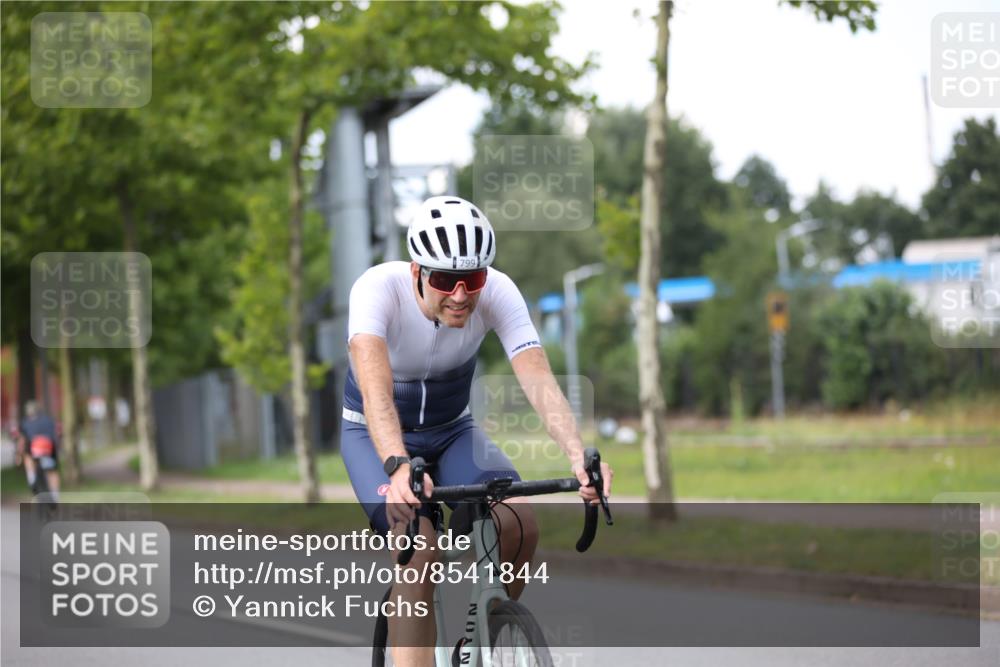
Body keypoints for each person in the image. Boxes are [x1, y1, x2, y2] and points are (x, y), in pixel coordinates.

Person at [341, 195, 613, 666]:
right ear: (417, 273)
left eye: (473, 279)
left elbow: (536, 376)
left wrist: (577, 455)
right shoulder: (375, 290)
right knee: (419, 554)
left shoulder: (499, 292)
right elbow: (377, 393)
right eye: (446, 280)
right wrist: (398, 465)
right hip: (374, 436)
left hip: (451, 431)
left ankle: (478, 644)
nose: (462, 294)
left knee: (519, 524)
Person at [14, 400, 61, 501]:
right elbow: (56, 434)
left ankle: (32, 480)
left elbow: (22, 441)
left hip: (34, 448)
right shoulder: (49, 420)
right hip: (49, 447)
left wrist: (18, 455)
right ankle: (55, 496)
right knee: (52, 472)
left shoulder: (25, 422)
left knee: (28, 458)